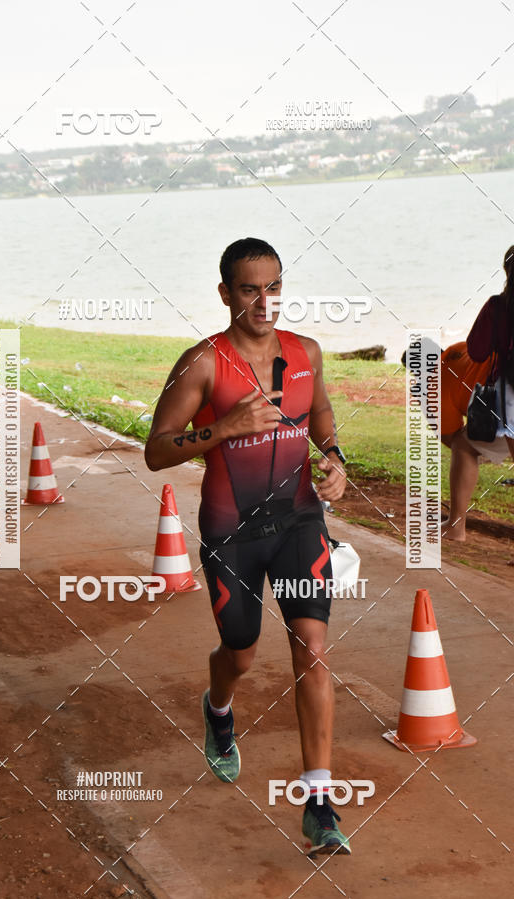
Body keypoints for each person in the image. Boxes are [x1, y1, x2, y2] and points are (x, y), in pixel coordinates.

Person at [145, 237, 351, 855]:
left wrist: (335, 460)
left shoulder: (307, 353)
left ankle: (320, 804)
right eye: (249, 289)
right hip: (231, 531)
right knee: (240, 652)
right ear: (225, 293)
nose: (265, 302)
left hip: (299, 523)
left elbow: (322, 420)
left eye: (275, 287)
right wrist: (223, 428)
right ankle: (218, 707)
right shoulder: (202, 363)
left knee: (312, 648)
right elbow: (156, 450)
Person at [442, 245, 514, 541]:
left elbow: (477, 350)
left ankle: (456, 527)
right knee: (465, 444)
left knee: (464, 446)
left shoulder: (498, 305)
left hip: (509, 396)